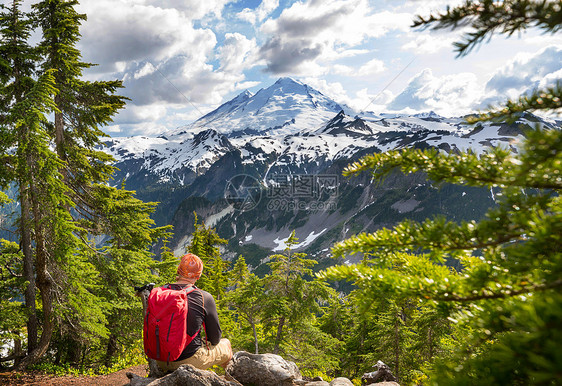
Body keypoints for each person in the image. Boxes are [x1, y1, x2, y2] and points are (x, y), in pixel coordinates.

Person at [155, 253, 233, 372]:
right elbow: (215, 338)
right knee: (226, 344)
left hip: (160, 360)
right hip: (189, 361)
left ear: (179, 271)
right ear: (199, 275)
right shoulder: (203, 297)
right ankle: (229, 379)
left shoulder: (161, 292)